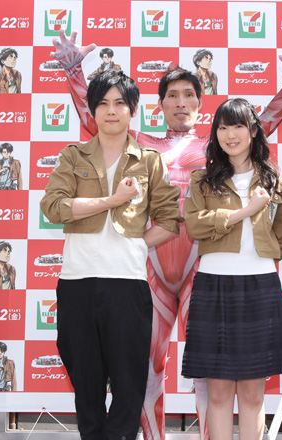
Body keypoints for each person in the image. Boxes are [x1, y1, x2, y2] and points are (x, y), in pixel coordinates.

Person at [50, 29, 282, 440]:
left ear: (200, 102)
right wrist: (73, 72)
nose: (180, 102)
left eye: (188, 95)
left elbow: (259, 125)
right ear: (158, 105)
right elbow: (97, 120)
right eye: (171, 96)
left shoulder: (217, 148)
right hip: (149, 265)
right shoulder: (140, 144)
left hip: (201, 266)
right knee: (144, 368)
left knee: (210, 373)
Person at [40, 69, 182, 440]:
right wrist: (113, 200)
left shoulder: (149, 160)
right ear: (92, 110)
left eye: (120, 103)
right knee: (85, 384)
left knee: (128, 383)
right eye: (102, 103)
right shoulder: (73, 156)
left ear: (133, 110)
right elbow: (53, 207)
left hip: (127, 283)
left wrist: (136, 243)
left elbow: (170, 220)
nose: (111, 111)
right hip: (77, 282)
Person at [182, 98, 282, 440]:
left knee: (252, 394)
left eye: (237, 126)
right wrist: (246, 211)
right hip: (213, 286)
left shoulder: (274, 180)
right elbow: (195, 226)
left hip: (260, 287)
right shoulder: (202, 180)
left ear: (253, 131)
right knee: (218, 394)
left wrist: (258, 257)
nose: (230, 134)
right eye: (222, 127)